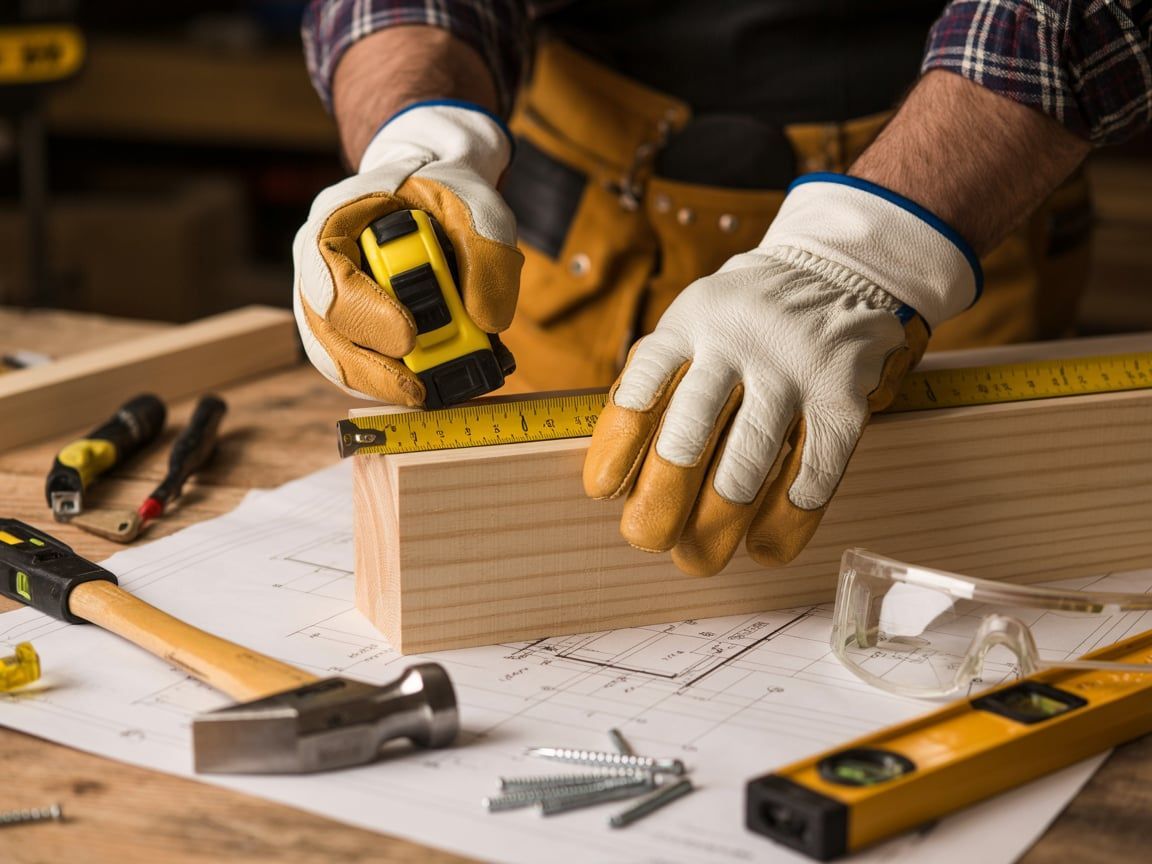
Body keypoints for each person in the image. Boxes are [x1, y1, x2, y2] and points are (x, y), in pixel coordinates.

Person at [294, 1, 1152, 576]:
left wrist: (869, 252)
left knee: (956, 579)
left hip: (952, 199)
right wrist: (416, 133)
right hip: (564, 226)